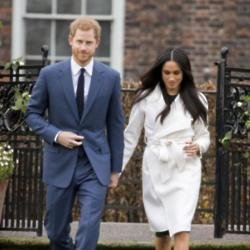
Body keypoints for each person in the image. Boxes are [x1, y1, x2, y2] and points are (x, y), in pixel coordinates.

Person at [25, 16, 124, 250]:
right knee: (56, 230)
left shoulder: (110, 78)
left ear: (97, 43)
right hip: (60, 160)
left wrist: (115, 168)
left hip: (95, 163)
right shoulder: (50, 75)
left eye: (88, 42)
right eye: (79, 41)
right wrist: (57, 135)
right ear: (70, 40)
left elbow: (116, 124)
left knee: (89, 225)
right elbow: (32, 115)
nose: (83, 47)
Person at [122, 48, 210, 250]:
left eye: (176, 73)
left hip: (185, 167)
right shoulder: (145, 98)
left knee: (181, 229)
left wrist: (198, 147)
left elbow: (204, 136)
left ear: (184, 73)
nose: (171, 78)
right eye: (167, 73)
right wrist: (116, 170)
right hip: (155, 165)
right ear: (160, 73)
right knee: (161, 232)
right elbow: (131, 136)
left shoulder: (198, 99)